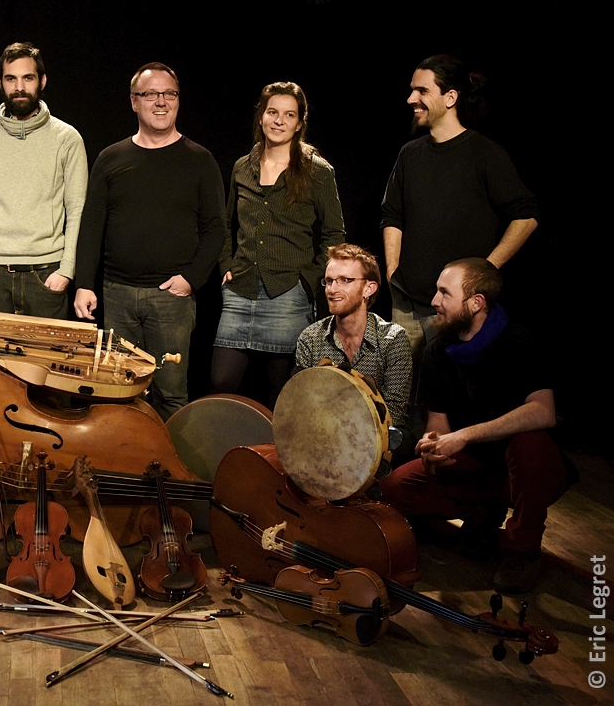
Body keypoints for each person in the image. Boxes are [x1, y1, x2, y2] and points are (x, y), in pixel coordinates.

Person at [380, 259, 568, 593]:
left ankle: (523, 549)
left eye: (444, 293)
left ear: (476, 302)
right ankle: (481, 515)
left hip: (525, 471)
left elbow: (544, 411)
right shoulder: (437, 352)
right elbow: (438, 426)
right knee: (394, 488)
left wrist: (464, 436)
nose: (434, 301)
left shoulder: (517, 341)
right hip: (474, 468)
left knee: (531, 445)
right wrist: (434, 446)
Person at [74, 62, 225, 420]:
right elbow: (92, 225)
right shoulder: (111, 158)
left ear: (178, 100)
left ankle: (169, 459)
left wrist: (191, 279)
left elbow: (217, 228)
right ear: (133, 101)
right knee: (118, 392)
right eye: (151, 94)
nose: (161, 102)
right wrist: (84, 284)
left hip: (171, 300)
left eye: (169, 94)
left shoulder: (199, 160)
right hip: (117, 294)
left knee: (170, 394)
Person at [381, 54, 538, 364]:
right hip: (407, 305)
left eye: (422, 91)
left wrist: (485, 270)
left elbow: (526, 216)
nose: (411, 99)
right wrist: (392, 271)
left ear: (450, 97)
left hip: (456, 309)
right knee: (403, 391)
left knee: (449, 389)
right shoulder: (410, 154)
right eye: (412, 90)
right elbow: (392, 215)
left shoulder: (484, 153)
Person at [211, 82, 345, 409]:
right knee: (221, 383)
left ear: (299, 123)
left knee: (282, 393)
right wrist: (226, 266)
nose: (279, 121)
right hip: (241, 290)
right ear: (261, 117)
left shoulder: (317, 171)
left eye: (289, 115)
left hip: (288, 294)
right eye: (273, 112)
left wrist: (308, 282)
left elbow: (334, 235)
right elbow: (224, 223)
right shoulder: (243, 167)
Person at [0, 42, 87, 319]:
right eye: (11, 79)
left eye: (28, 78)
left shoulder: (67, 138)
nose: (19, 87)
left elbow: (77, 210)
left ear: (42, 81)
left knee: (44, 350)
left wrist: (67, 269)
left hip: (46, 272)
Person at [295, 244, 411, 430]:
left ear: (368, 288)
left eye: (345, 280)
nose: (332, 289)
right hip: (321, 435)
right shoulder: (310, 338)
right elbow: (301, 405)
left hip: (375, 437)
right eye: (329, 281)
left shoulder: (392, 339)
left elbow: (395, 413)